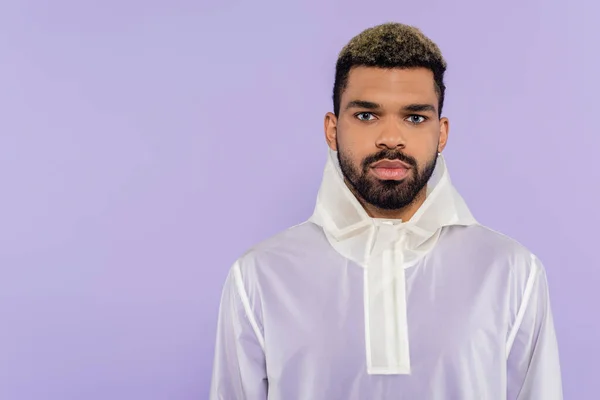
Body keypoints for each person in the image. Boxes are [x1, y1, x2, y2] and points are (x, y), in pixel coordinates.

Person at [209, 22, 562, 399]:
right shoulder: (259, 277)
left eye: (414, 117)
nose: (391, 138)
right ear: (332, 129)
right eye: (366, 115)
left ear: (441, 133)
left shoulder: (511, 272)